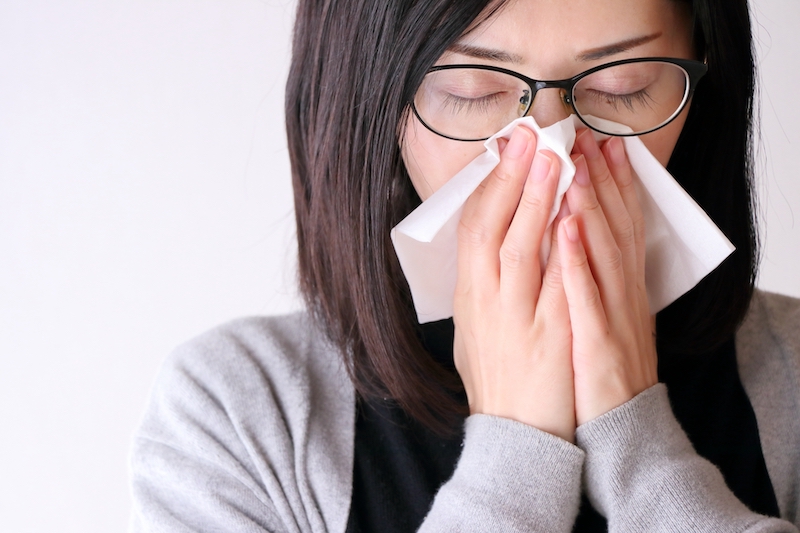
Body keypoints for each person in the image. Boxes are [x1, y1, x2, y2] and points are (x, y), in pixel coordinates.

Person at [129, 0, 800, 531]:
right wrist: (514, 460)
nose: (554, 157)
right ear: (374, 102)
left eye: (622, 89)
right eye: (475, 92)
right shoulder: (239, 417)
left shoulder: (790, 373)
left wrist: (643, 447)